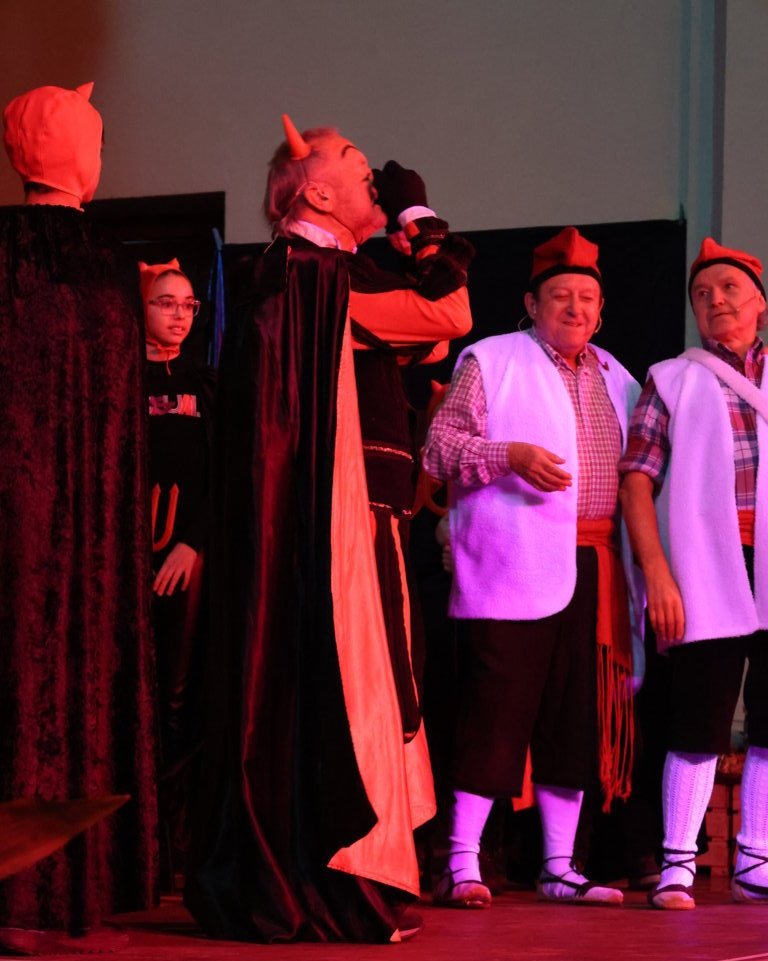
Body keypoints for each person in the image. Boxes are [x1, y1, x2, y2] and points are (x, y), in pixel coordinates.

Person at [185, 116, 472, 944]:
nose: (371, 172)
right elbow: (449, 311)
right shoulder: (309, 278)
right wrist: (421, 223)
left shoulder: (336, 276)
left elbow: (423, 344)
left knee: (386, 687)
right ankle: (341, 874)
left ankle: (356, 870)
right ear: (314, 191)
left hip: (371, 507)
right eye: (353, 160)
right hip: (340, 521)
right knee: (356, 691)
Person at [423, 226, 643, 908]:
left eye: (587, 298)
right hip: (511, 561)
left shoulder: (619, 377)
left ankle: (558, 865)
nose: (575, 308)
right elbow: (439, 447)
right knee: (496, 711)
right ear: (531, 303)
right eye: (560, 296)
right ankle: (462, 860)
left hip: (596, 566)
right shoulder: (492, 360)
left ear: (600, 311)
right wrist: (509, 455)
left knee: (572, 717)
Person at [0, 83, 157, 942]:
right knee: (71, 675)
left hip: (15, 528)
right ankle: (60, 882)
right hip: (82, 538)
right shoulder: (102, 268)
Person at [619, 237, 768, 910]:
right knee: (699, 715)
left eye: (729, 288)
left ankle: (755, 858)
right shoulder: (672, 378)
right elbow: (637, 480)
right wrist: (657, 571)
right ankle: (679, 860)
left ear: (759, 302)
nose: (715, 301)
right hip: (707, 566)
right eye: (702, 294)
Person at [140, 259, 215, 888]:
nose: (179, 315)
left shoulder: (206, 385)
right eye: (166, 302)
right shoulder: (115, 376)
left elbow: (224, 475)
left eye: (188, 304)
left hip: (186, 561)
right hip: (125, 558)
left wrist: (192, 543)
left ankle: (176, 851)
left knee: (178, 699)